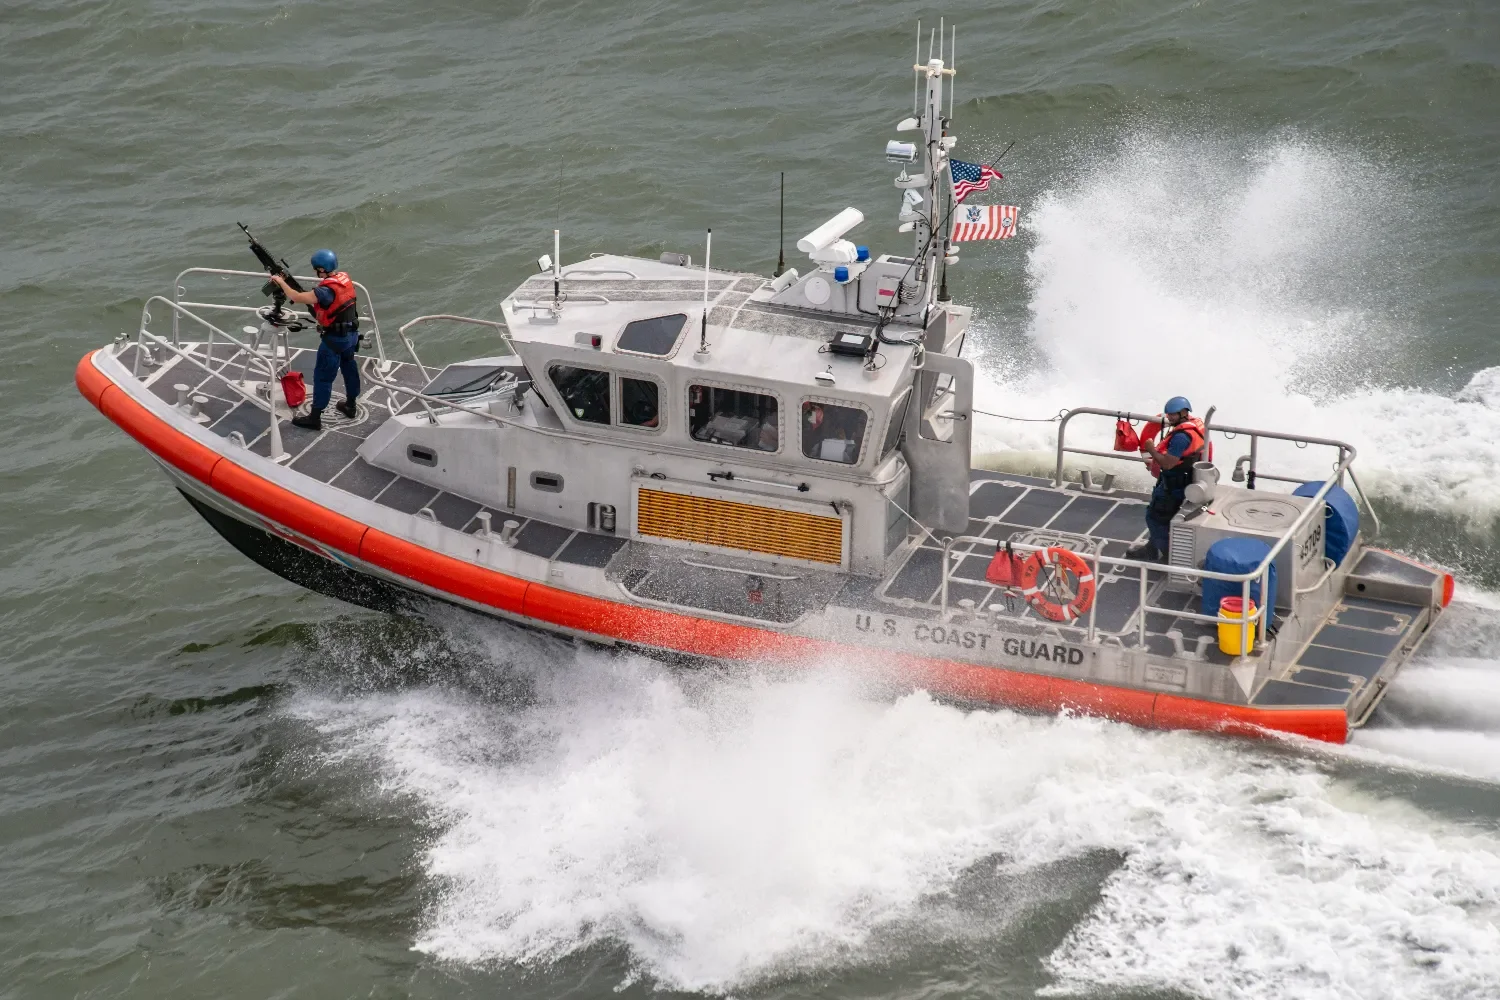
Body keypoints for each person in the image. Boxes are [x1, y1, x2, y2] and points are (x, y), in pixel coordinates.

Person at [271, 249, 359, 431]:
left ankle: (314, 417)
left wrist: (280, 282)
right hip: (351, 336)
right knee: (350, 369)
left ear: (321, 269)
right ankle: (351, 405)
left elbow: (296, 297)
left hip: (334, 340)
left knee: (323, 378)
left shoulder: (325, 291)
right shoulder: (344, 280)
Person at [1127, 396, 1208, 562]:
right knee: (1163, 518)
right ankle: (1151, 548)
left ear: (1184, 413)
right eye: (1168, 414)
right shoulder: (1194, 427)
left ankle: (1167, 555)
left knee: (1155, 518)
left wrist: (1151, 449)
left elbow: (1168, 463)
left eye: (1173, 415)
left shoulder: (1181, 438)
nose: (1169, 418)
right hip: (1184, 480)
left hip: (1173, 485)